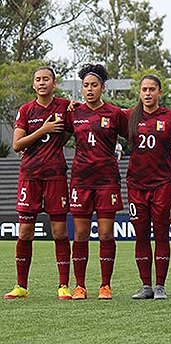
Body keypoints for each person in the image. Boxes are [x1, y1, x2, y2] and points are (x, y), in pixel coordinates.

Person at [4, 66, 72, 300]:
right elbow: (17, 145)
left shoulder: (64, 106)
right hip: (30, 175)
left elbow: (70, 131)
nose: (42, 83)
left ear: (54, 83)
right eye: (38, 79)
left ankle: (64, 285)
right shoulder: (26, 110)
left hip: (55, 175)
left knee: (60, 231)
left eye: (46, 79)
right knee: (25, 231)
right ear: (33, 85)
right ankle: (21, 286)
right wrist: (43, 130)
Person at [65, 64, 128, 300]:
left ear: (103, 87)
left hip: (107, 181)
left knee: (105, 234)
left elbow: (136, 133)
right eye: (85, 85)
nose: (89, 89)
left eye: (94, 85)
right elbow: (58, 136)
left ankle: (105, 285)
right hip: (81, 181)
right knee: (80, 235)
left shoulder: (115, 113)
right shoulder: (74, 112)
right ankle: (79, 286)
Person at [126, 75, 171, 300]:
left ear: (160, 92)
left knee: (162, 234)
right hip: (136, 184)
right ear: (139, 92)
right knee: (141, 235)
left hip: (162, 184)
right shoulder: (129, 117)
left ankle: (160, 285)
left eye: (152, 89)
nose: (148, 93)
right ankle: (145, 286)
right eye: (144, 89)